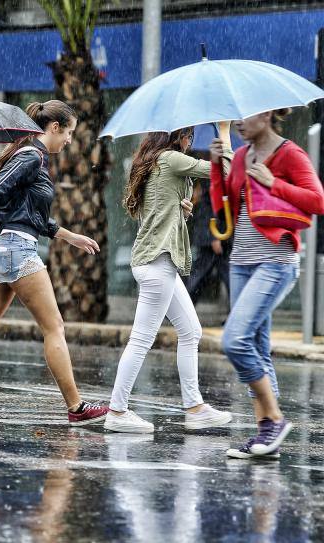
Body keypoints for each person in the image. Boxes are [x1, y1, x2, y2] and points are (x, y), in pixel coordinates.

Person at [0, 100, 109, 426]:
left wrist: (69, 236)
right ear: (54, 127)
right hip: (17, 252)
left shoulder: (31, 158)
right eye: (69, 133)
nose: (69, 141)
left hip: (2, 251)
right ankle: (76, 408)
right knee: (54, 328)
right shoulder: (32, 157)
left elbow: (30, 217)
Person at [104, 123, 234, 434]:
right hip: (157, 262)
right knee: (141, 340)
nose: (191, 142)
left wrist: (183, 211)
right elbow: (225, 174)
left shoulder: (157, 162)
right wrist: (226, 134)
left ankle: (195, 407)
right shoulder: (171, 159)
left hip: (160, 261)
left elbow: (160, 212)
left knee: (191, 331)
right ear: (179, 136)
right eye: (190, 136)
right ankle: (117, 411)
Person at [209, 110, 324, 458]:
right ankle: (266, 437)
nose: (239, 122)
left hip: (276, 261)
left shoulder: (290, 153)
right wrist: (217, 167)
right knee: (257, 347)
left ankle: (273, 418)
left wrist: (275, 183)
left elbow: (318, 200)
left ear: (269, 114)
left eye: (246, 115)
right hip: (241, 262)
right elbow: (224, 206)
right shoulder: (242, 155)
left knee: (234, 340)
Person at [186, 180, 230, 306]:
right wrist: (213, 237)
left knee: (201, 275)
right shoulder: (213, 175)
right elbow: (209, 207)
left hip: (219, 235)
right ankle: (181, 309)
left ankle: (182, 309)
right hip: (215, 236)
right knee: (200, 275)